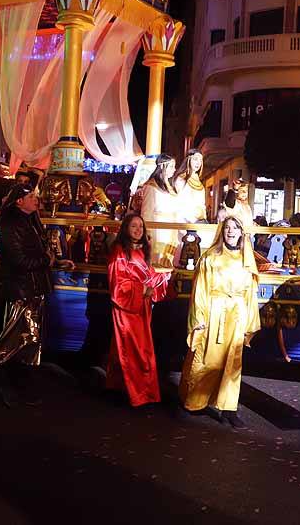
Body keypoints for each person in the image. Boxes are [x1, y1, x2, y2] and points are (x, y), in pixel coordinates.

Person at [0, 184, 73, 406]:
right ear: (19, 201)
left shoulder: (31, 221)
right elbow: (18, 260)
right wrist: (46, 261)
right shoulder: (10, 223)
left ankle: (20, 385)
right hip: (21, 289)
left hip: (34, 288)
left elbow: (36, 256)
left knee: (31, 339)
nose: (37, 199)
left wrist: (56, 262)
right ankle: (0, 379)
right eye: (31, 196)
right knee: (14, 337)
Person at [179, 216, 260, 429]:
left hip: (237, 316)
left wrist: (249, 322)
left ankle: (228, 408)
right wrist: (200, 319)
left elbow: (251, 294)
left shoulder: (247, 259)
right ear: (221, 231)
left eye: (235, 228)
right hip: (214, 313)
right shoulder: (210, 258)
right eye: (227, 228)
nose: (231, 231)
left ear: (242, 232)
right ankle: (196, 400)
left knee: (233, 363)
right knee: (208, 359)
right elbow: (200, 290)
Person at [105, 214, 171, 407]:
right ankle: (139, 394)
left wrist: (163, 278)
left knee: (132, 349)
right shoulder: (119, 252)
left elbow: (148, 277)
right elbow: (118, 284)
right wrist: (143, 289)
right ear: (125, 228)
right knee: (134, 350)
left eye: (141, 226)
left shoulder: (142, 251)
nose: (138, 230)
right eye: (133, 226)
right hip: (126, 309)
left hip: (141, 308)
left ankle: (122, 389)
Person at [139, 155, 180, 270]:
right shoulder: (151, 186)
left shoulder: (170, 187)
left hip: (171, 229)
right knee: (156, 262)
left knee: (168, 260)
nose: (174, 169)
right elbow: (146, 212)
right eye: (171, 166)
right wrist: (148, 232)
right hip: (158, 231)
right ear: (162, 167)